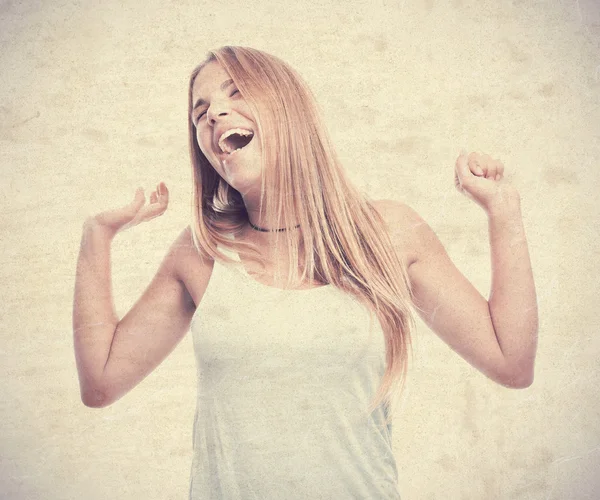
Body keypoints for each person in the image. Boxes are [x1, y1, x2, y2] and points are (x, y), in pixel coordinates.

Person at [73, 46, 539, 499]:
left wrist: (503, 209)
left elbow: (510, 362)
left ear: (289, 109)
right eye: (200, 113)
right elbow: (101, 383)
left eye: (236, 93)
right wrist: (97, 235)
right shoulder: (202, 253)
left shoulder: (388, 232)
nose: (213, 114)